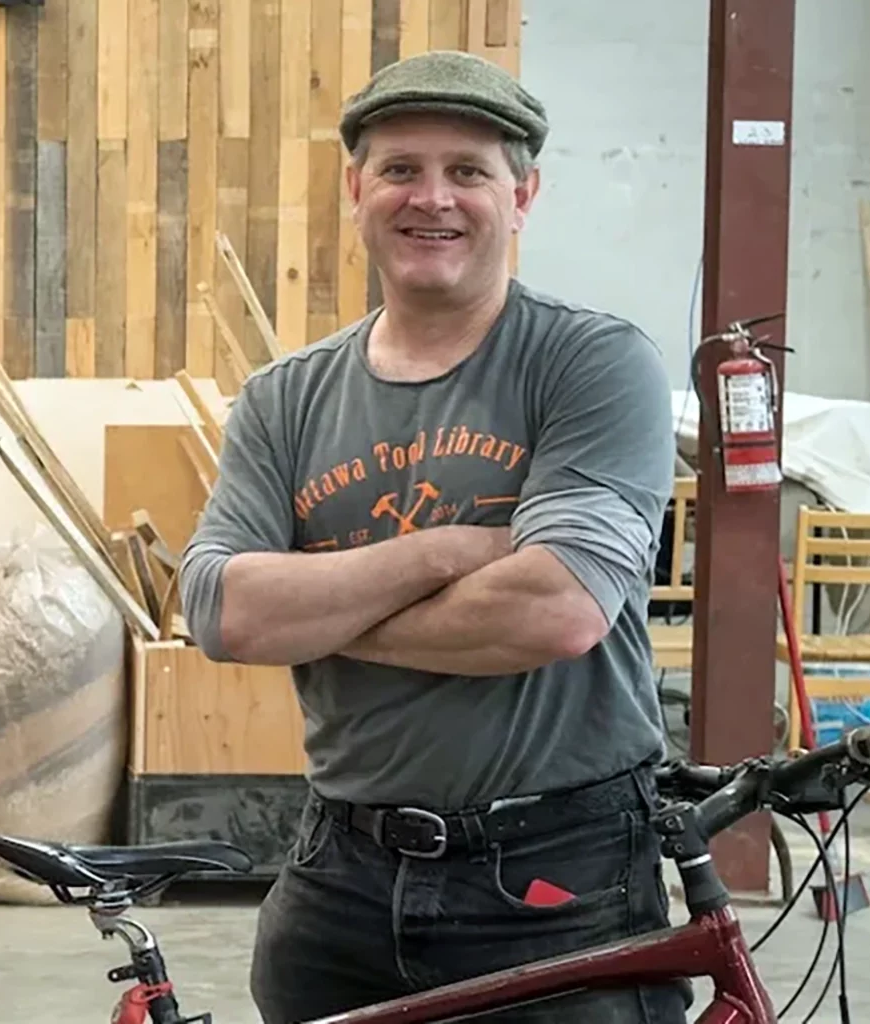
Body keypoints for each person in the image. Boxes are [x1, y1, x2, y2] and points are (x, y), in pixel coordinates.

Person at [180, 48, 689, 1024]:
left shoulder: (591, 363)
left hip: (556, 880)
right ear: (356, 190)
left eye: (467, 171)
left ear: (522, 195)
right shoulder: (285, 399)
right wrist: (446, 552)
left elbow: (555, 610)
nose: (433, 198)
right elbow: (223, 612)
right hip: (337, 881)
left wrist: (322, 612)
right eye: (401, 169)